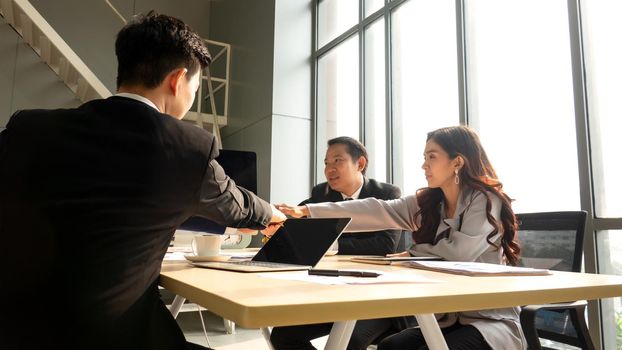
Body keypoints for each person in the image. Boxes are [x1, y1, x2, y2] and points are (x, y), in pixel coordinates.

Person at [0, 11, 285, 350]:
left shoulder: (29, 129)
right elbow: (238, 206)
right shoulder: (187, 148)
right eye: (194, 86)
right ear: (178, 80)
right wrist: (274, 214)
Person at [276, 126, 524, 350]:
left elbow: (459, 254)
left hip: (489, 321)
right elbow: (377, 210)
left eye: (432, 157)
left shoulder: (484, 199)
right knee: (390, 347)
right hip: (448, 320)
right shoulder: (429, 202)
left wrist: (413, 254)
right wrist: (308, 211)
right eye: (424, 157)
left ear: (457, 162)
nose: (424, 165)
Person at [269, 136, 415, 350]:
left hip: (379, 293)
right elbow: (294, 220)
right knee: (283, 335)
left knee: (350, 342)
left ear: (361, 164)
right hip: (336, 290)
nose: (330, 169)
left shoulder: (387, 193)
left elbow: (384, 245)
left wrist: (332, 246)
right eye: (326, 163)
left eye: (338, 160)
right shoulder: (321, 193)